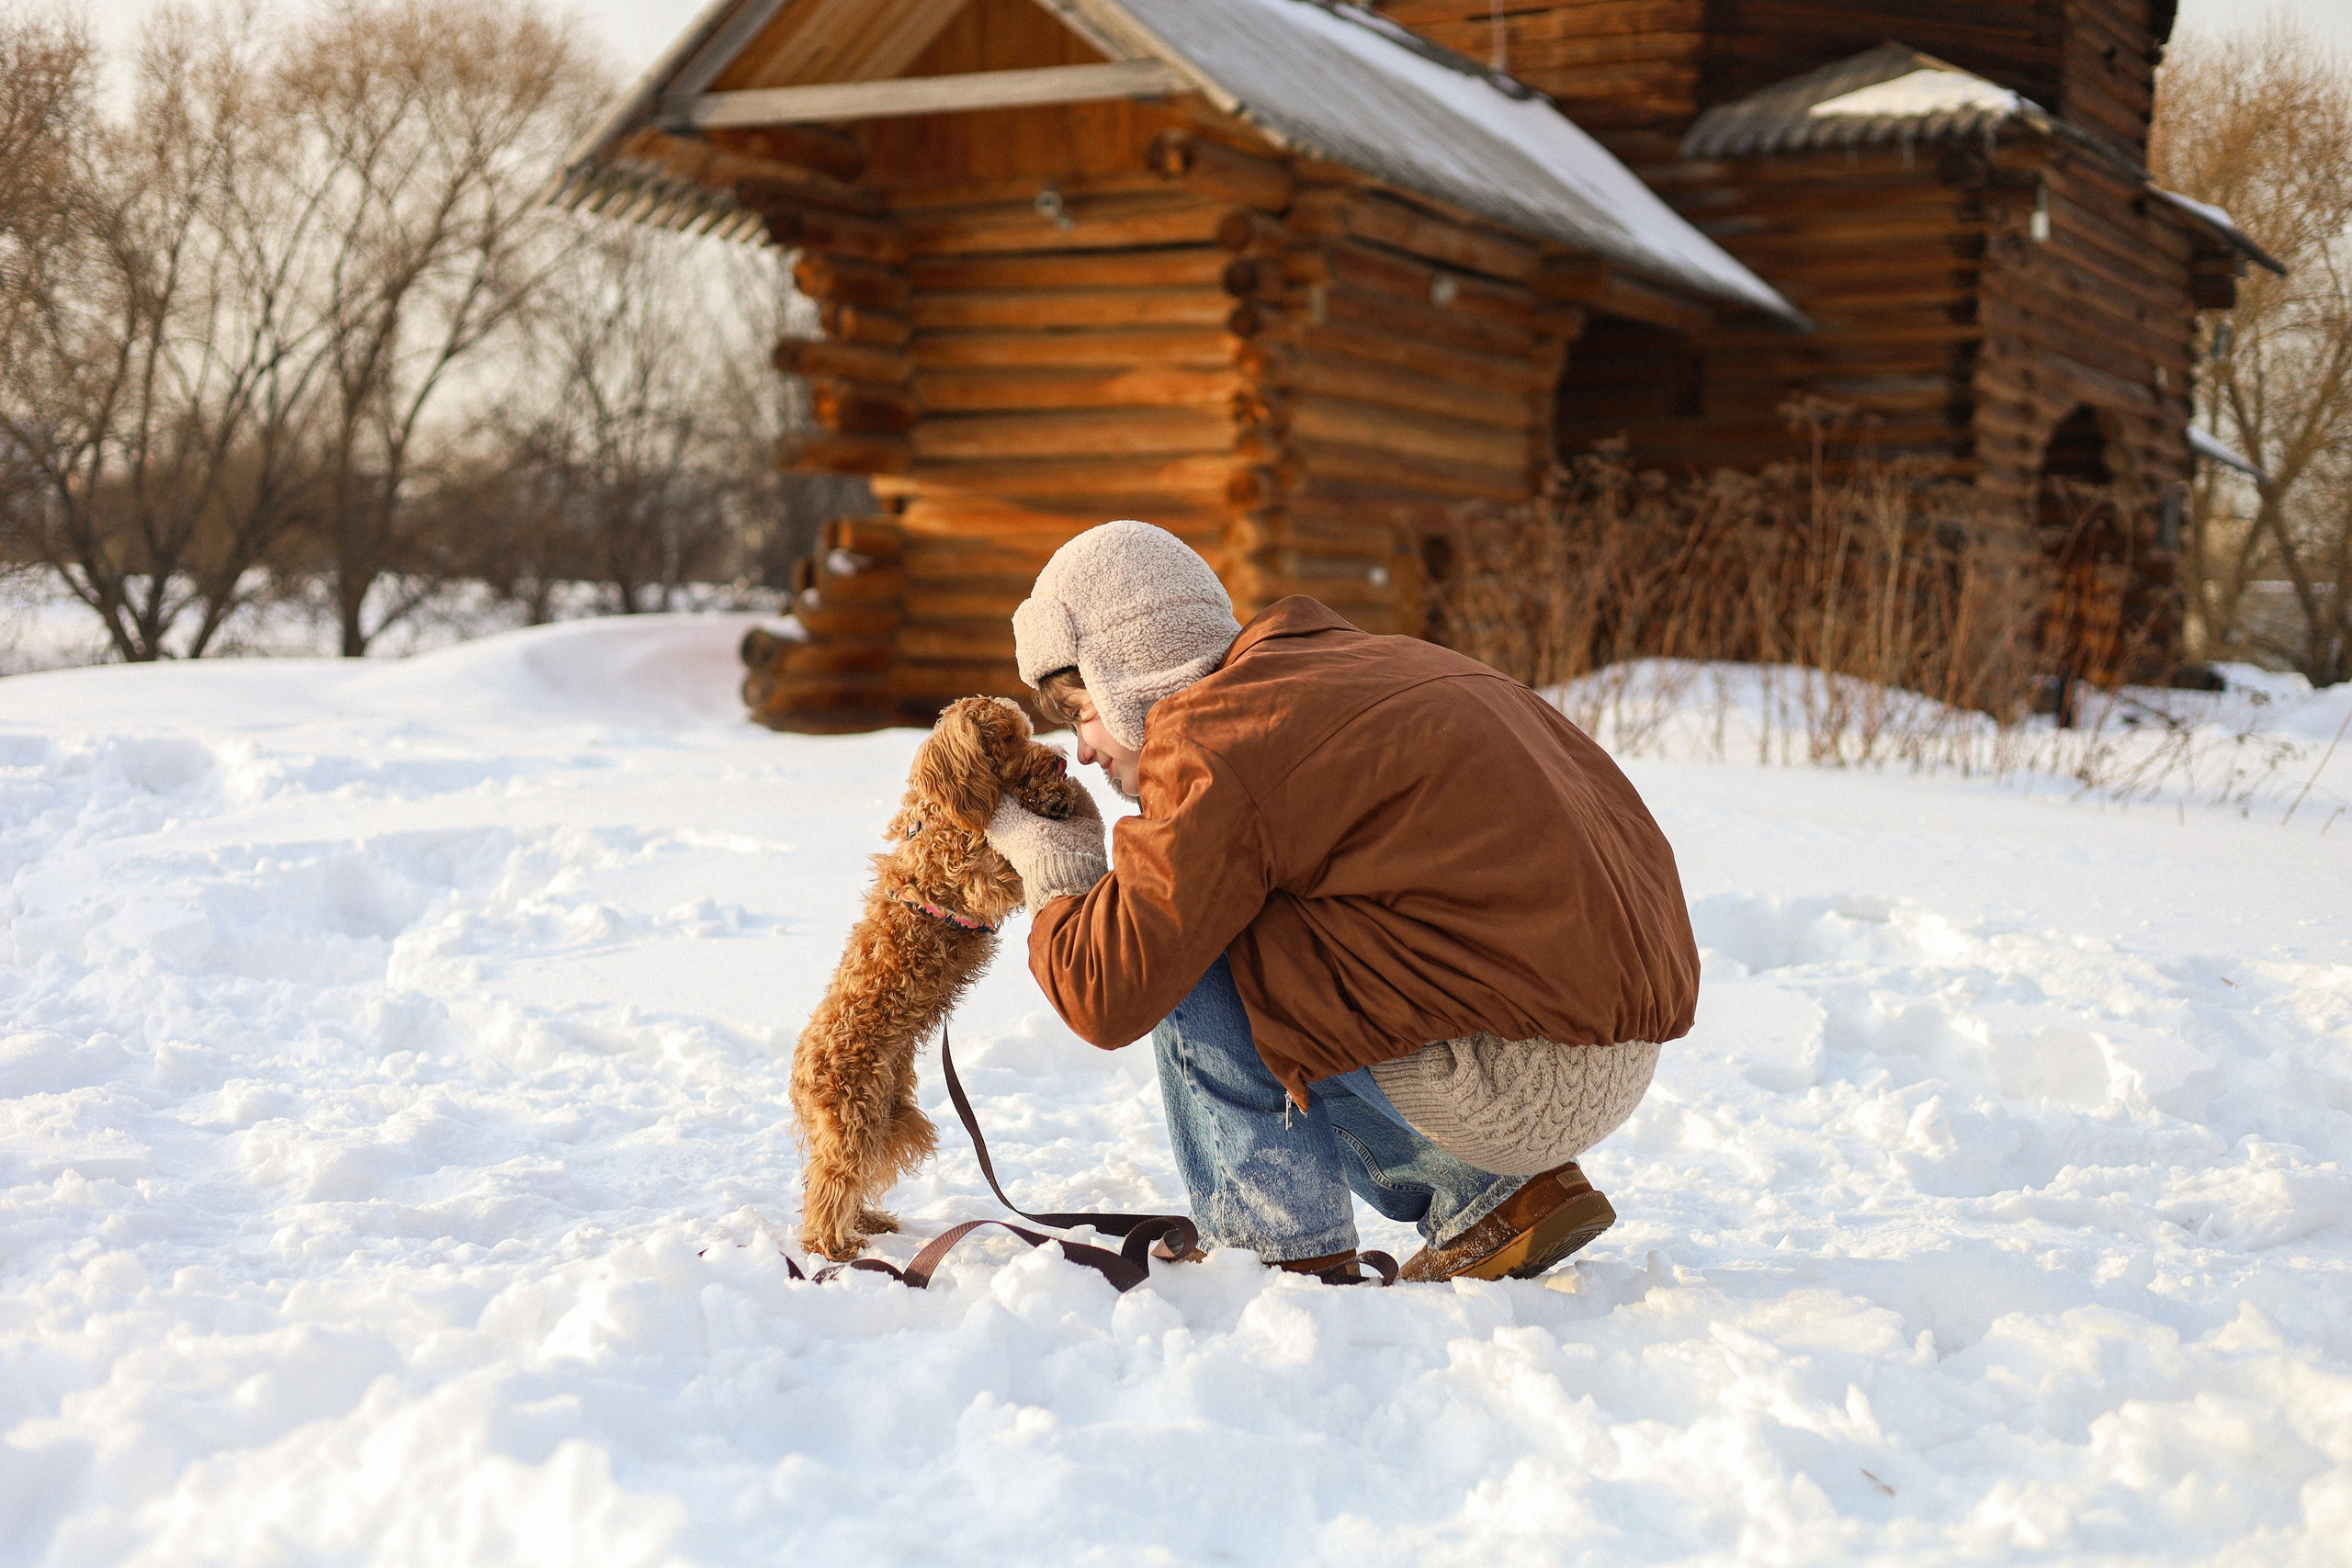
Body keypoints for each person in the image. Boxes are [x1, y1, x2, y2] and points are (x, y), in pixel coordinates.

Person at [981, 520, 1698, 1282]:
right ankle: (1493, 1197)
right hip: (1611, 1046)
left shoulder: (1215, 737)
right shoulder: (1355, 665)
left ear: (1129, 676)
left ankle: (1279, 1246)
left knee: (1177, 922)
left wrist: (1053, 862)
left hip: (1512, 1078)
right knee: (1234, 887)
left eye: (1081, 712)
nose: (1083, 750)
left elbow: (1109, 989)